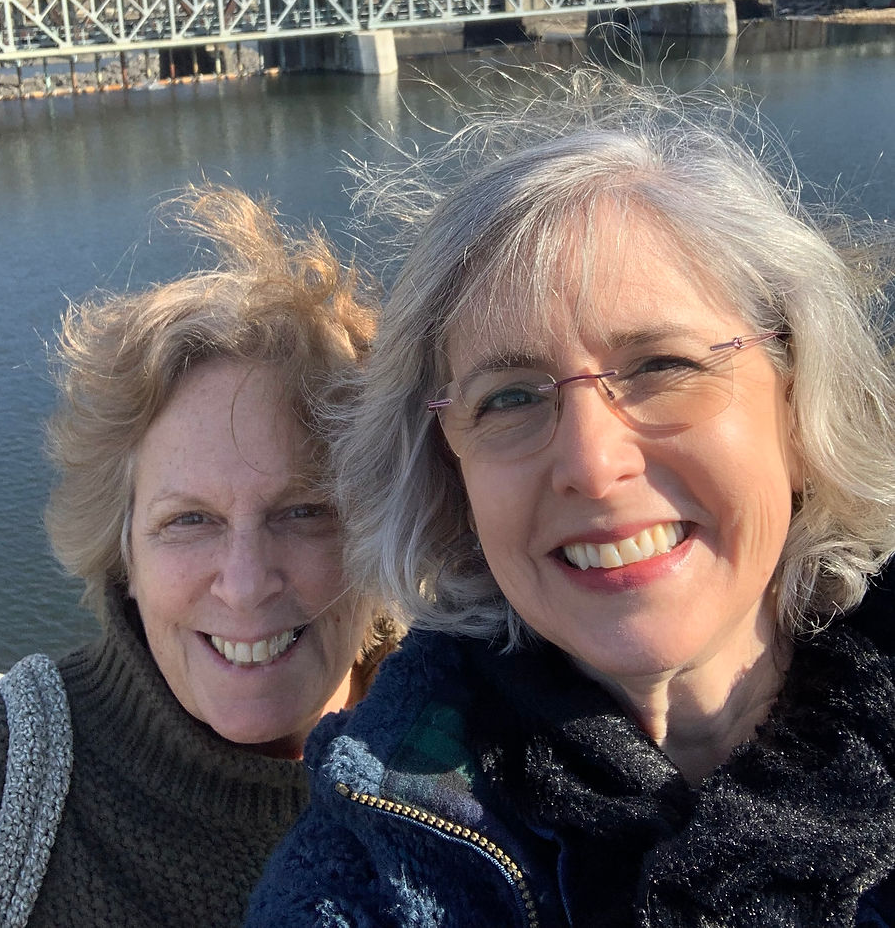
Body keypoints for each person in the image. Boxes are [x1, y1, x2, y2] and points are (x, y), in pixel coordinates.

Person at [247, 70, 895, 928]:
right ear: (453, 479)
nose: (591, 463)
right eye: (510, 397)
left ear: (800, 408)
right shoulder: (366, 873)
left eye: (662, 366)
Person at [0, 184, 390, 928]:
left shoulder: (498, 758)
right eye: (189, 520)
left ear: (379, 530)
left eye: (305, 512)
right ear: (123, 553)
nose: (244, 583)